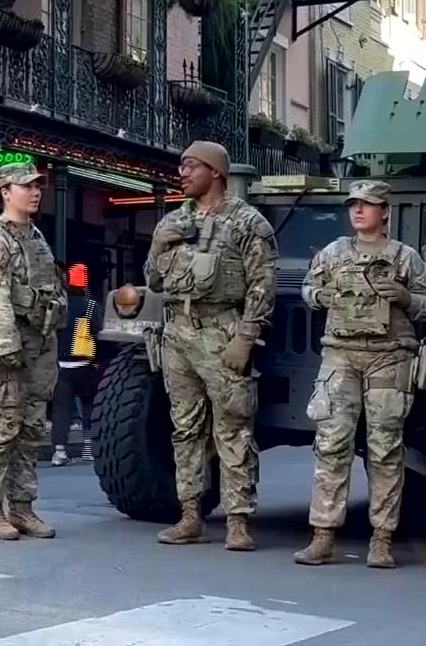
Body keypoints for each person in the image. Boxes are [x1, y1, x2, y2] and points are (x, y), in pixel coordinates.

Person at [128, 140, 275, 552]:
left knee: (233, 426)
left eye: (192, 166)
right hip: (178, 333)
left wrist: (246, 338)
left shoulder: (248, 223)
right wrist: (159, 246)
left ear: (216, 172)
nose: (182, 172)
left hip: (223, 331)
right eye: (181, 166)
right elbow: (153, 281)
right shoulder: (173, 220)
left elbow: (262, 286)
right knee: (185, 427)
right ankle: (190, 514)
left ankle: (238, 520)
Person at [295, 179, 426, 569]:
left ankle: (381, 538)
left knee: (385, 448)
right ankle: (323, 535)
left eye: (367, 204)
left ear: (385, 212)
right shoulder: (333, 253)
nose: (358, 211)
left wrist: (407, 298)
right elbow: (308, 288)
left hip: (388, 359)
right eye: (353, 205)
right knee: (331, 445)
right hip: (341, 356)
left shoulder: (405, 258)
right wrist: (319, 297)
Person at [0, 161, 64, 541]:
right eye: (26, 186)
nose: (35, 191)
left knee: (30, 429)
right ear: (5, 192)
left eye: (38, 185)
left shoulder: (35, 236)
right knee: (1, 427)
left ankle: (22, 507)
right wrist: (8, 349)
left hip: (39, 344)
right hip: (10, 345)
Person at [49, 265, 99, 466]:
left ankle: (59, 452)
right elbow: (97, 331)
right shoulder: (91, 306)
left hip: (61, 365)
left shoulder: (59, 305)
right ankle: (88, 449)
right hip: (84, 363)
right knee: (89, 406)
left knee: (61, 409)